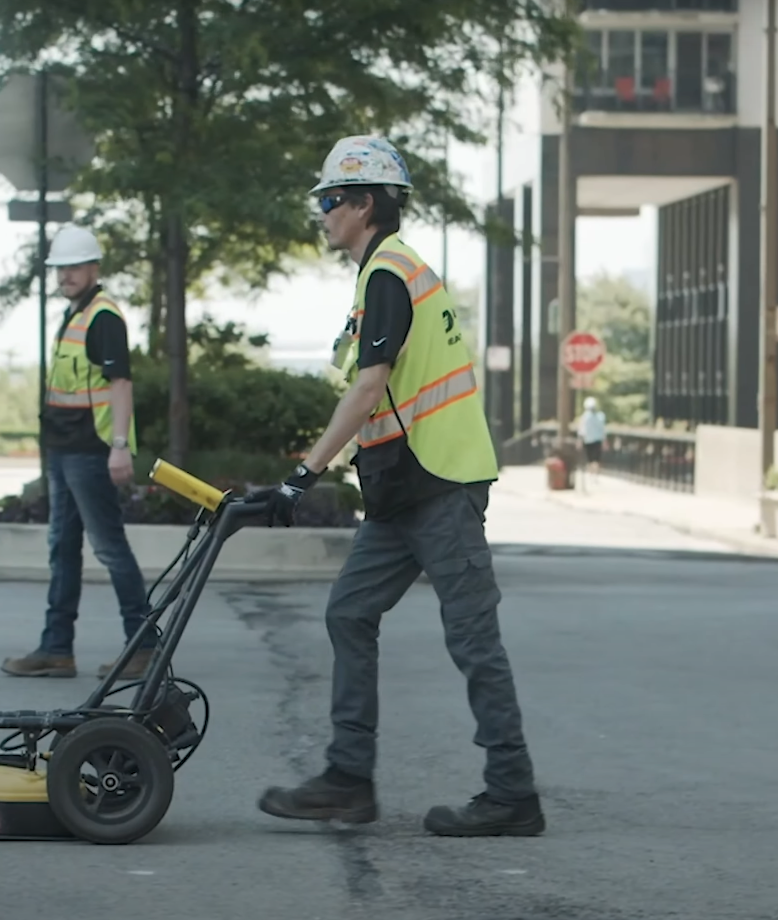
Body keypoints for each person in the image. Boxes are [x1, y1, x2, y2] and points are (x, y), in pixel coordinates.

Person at [252, 136, 544, 837]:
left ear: (362, 204)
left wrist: (303, 476)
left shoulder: (390, 273)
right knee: (349, 613)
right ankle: (349, 780)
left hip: (440, 483)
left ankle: (513, 794)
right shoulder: (380, 276)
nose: (322, 214)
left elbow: (370, 386)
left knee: (473, 638)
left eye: (329, 201)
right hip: (402, 490)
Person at [1, 225, 156, 681]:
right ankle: (56, 649)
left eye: (73, 267)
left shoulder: (104, 317)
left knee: (109, 549)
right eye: (60, 268)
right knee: (62, 549)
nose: (65, 275)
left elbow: (121, 385)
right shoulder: (75, 314)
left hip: (91, 452)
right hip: (65, 451)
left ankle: (144, 647)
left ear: (93, 267)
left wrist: (121, 448)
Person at [576, 396, 607, 479]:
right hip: (596, 440)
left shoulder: (585, 417)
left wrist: (579, 440)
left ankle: (592, 474)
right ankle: (594, 474)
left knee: (591, 458)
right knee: (595, 458)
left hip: (589, 440)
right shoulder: (600, 416)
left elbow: (581, 430)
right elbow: (603, 430)